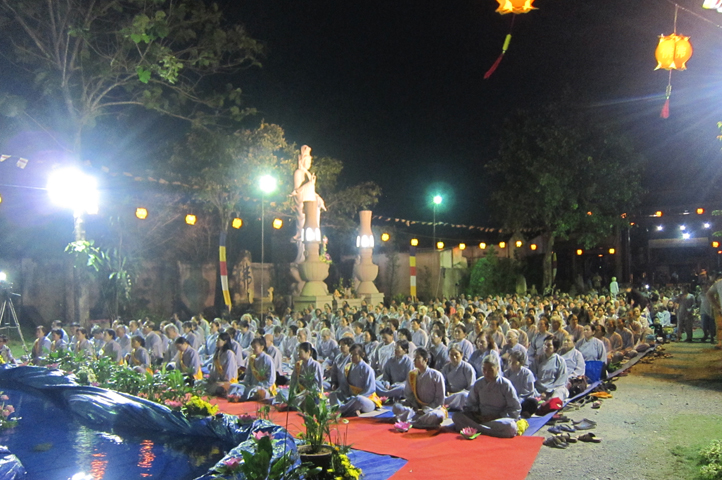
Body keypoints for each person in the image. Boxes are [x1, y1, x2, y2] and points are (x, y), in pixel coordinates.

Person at [452, 355, 521, 438]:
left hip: (498, 420)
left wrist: (497, 416)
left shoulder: (505, 385)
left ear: (497, 369)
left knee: (510, 427)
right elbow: (470, 404)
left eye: (490, 370)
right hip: (481, 419)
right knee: (456, 416)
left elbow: (515, 408)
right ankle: (486, 430)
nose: (486, 373)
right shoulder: (478, 383)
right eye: (484, 369)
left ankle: (478, 429)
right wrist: (478, 415)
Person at [392, 348, 447, 428]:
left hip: (431, 409)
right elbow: (408, 395)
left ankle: (413, 421)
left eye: (418, 358)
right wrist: (415, 407)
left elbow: (440, 399)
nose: (414, 360)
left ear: (426, 360)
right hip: (415, 409)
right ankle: (419, 421)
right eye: (414, 358)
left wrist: (424, 410)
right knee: (396, 407)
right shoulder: (412, 374)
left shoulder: (436, 375)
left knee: (436, 416)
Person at [329, 344, 380, 416]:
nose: (352, 357)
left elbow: (370, 390)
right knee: (333, 394)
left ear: (362, 354)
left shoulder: (368, 369)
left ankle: (341, 410)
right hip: (350, 398)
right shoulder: (348, 367)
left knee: (359, 399)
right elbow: (344, 386)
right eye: (351, 354)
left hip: (366, 400)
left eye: (355, 354)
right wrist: (343, 395)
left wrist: (353, 398)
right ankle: (350, 410)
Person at [277, 342, 324, 408]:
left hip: (310, 393)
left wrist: (308, 391)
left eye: (300, 352)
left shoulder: (315, 365)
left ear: (308, 352)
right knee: (281, 393)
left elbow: (318, 383)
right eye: (298, 352)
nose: (298, 354)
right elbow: (293, 381)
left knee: (305, 398)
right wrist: (292, 392)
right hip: (299, 392)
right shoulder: (298, 365)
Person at [531, 336, 568, 401]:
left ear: (555, 348)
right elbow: (531, 376)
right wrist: (537, 392)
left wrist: (548, 392)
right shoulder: (538, 359)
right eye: (544, 344)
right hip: (538, 389)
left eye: (549, 345)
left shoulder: (560, 361)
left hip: (554, 389)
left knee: (558, 394)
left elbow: (561, 381)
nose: (546, 347)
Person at [503, 350, 538, 418]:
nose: (511, 364)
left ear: (521, 363)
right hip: (510, 400)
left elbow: (528, 392)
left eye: (514, 362)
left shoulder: (527, 373)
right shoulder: (506, 373)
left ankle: (522, 411)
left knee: (532, 403)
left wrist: (517, 401)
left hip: (522, 399)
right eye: (509, 361)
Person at [441, 346, 476, 411]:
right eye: (451, 355)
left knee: (463, 395)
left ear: (461, 355)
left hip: (462, 395)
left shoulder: (468, 368)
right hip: (450, 396)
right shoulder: (446, 368)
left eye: (456, 355)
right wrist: (446, 392)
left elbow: (471, 387)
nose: (454, 357)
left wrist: (457, 393)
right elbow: (443, 384)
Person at [207, 332, 238, 396]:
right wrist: (211, 379)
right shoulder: (217, 353)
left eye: (218, 340)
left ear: (225, 341)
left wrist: (224, 382)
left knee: (217, 387)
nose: (216, 341)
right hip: (217, 380)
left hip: (227, 382)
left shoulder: (229, 353)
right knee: (200, 383)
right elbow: (214, 369)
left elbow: (229, 370)